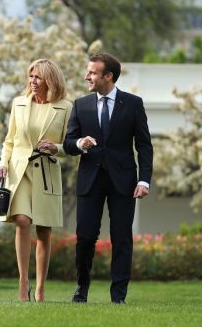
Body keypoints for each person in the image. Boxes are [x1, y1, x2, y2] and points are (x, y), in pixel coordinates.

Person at [63, 53, 153, 304]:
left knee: (122, 238)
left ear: (108, 76)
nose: (86, 76)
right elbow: (69, 144)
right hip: (90, 180)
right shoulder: (81, 105)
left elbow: (144, 145)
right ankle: (81, 286)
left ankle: (119, 295)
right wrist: (80, 143)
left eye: (92, 72)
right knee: (85, 238)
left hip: (123, 181)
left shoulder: (134, 103)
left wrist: (144, 180)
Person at [0, 59, 72, 302]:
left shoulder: (66, 108)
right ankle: (23, 282)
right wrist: (2, 165)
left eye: (38, 77)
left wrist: (55, 148)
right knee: (21, 220)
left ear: (50, 80)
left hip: (46, 172)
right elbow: (10, 140)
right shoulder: (18, 103)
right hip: (19, 170)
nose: (33, 81)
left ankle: (40, 288)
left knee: (44, 230)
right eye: (31, 77)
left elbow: (69, 145)